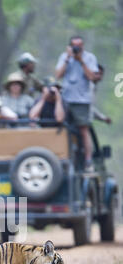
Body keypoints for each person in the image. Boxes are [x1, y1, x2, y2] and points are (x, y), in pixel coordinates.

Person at [55, 35, 99, 171]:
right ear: (69, 46)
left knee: (84, 130)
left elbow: (92, 77)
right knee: (61, 128)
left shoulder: (90, 57)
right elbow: (58, 75)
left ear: (83, 46)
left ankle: (88, 161)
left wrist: (81, 61)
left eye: (79, 45)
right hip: (66, 98)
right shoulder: (64, 56)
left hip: (82, 100)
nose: (76, 48)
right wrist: (68, 59)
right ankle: (61, 157)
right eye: (74, 45)